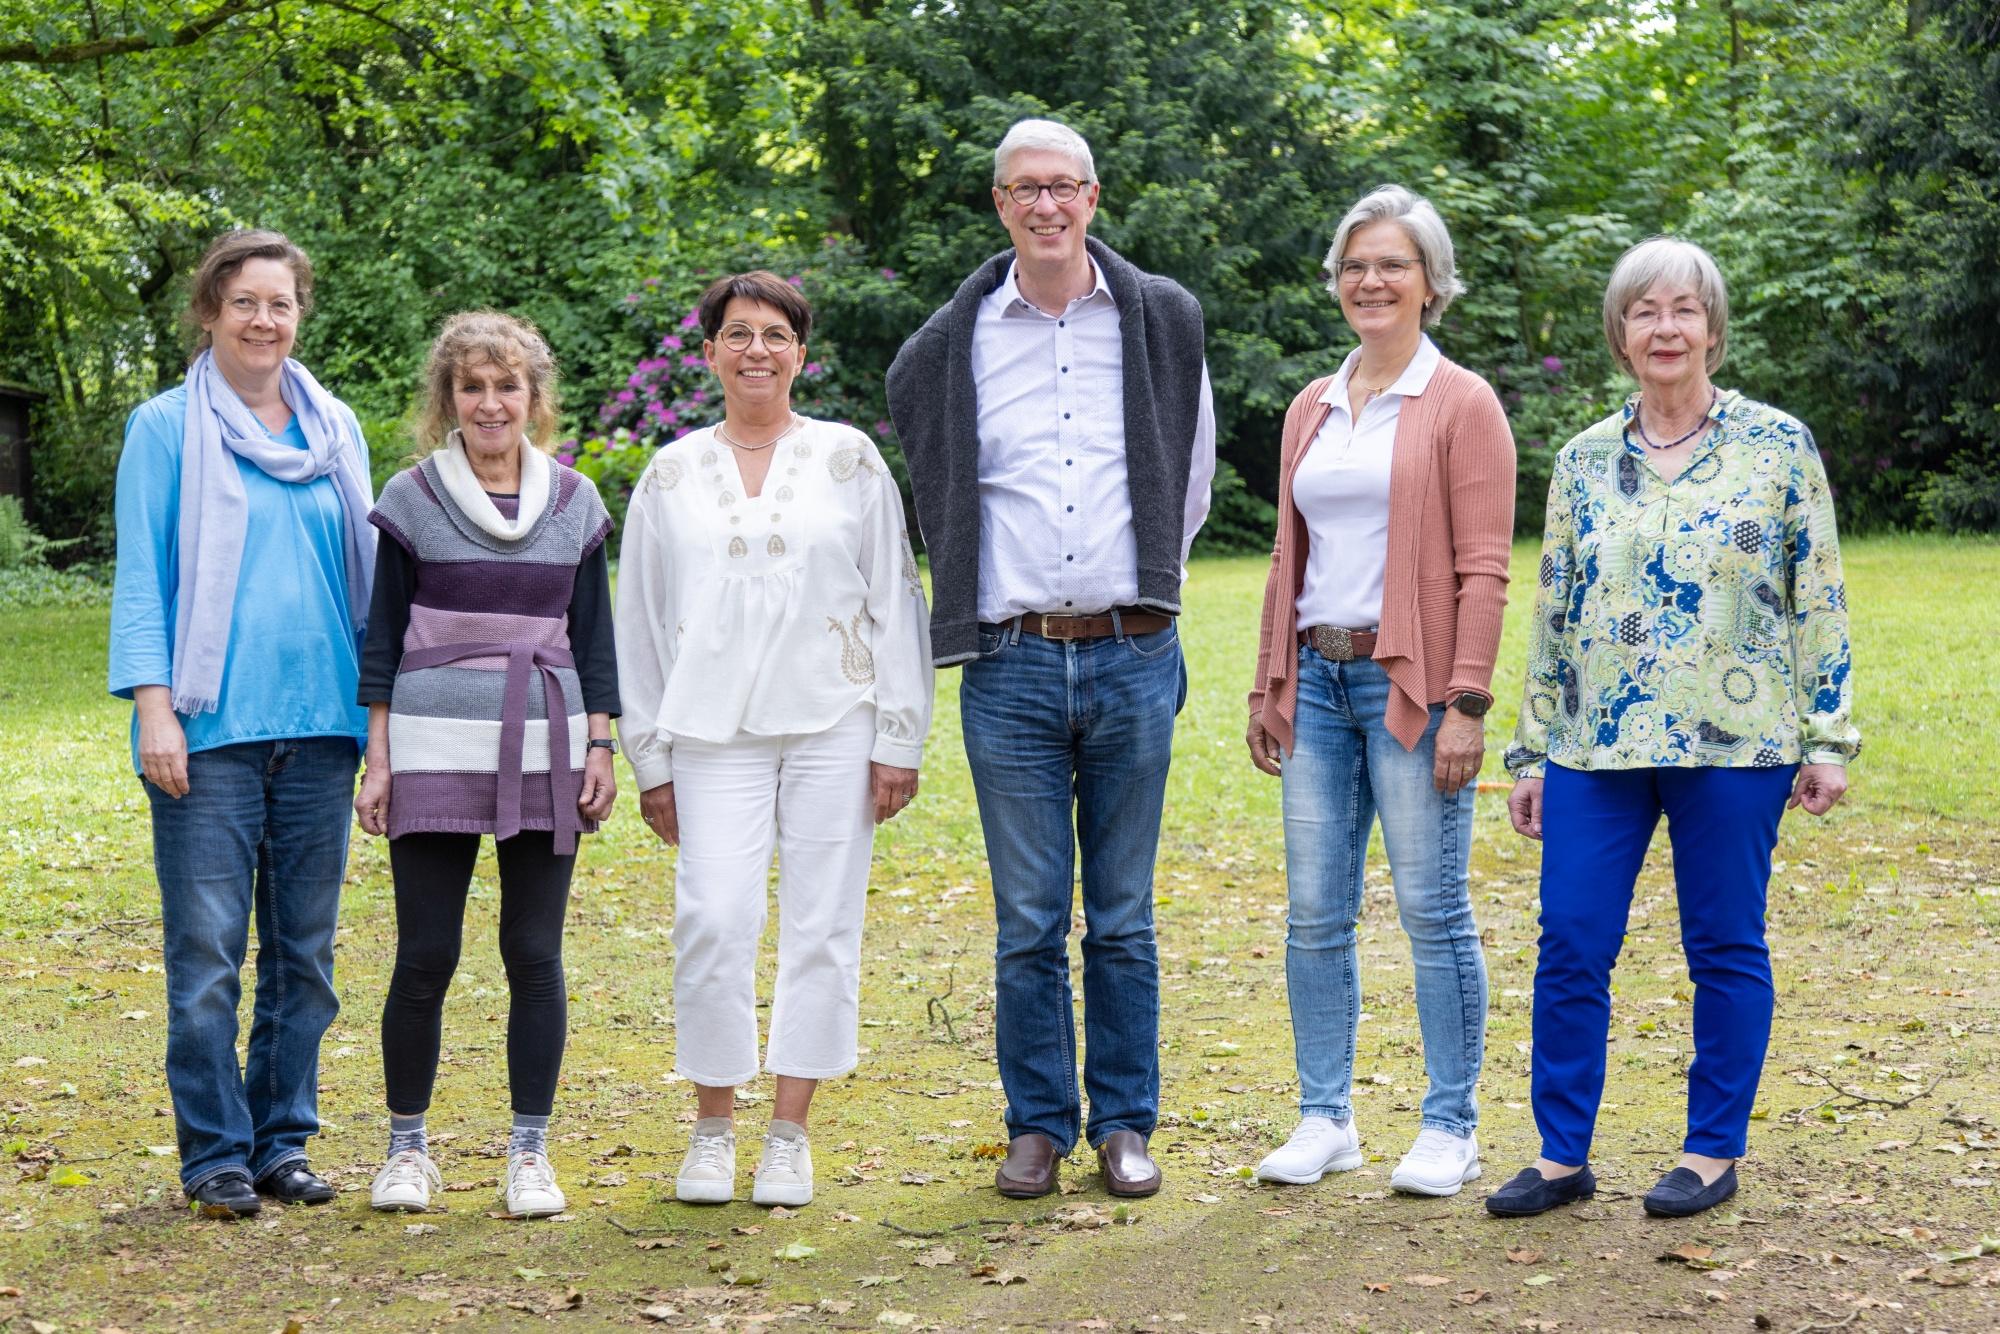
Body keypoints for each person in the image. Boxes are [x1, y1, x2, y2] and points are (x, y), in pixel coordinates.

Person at [1487, 237, 1859, 1220]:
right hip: (1592, 747)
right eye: (1643, 311)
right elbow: (1550, 609)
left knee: (1722, 942)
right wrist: (1529, 749)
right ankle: (1561, 1153)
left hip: (1734, 743)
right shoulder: (1578, 460)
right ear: (1618, 333)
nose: (1664, 327)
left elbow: (1816, 591)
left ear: (1711, 328)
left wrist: (1826, 736)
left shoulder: (1775, 445)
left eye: (1682, 309)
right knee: (1568, 939)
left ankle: (1707, 1150)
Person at [885, 118, 1215, 1200]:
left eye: (1062, 187)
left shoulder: (1161, 318)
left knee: (1121, 912)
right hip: (1012, 663)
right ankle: (1036, 1124)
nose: (1044, 206)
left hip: (1130, 650)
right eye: (1023, 190)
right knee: (1028, 917)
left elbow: (1191, 472)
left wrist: (1145, 585)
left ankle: (1124, 1120)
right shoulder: (950, 343)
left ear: (1091, 196)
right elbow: (939, 486)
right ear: (998, 204)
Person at [616, 271, 932, 1209]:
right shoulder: (671, 475)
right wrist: (651, 757)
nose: (758, 350)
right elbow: (637, 620)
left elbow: (894, 598)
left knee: (823, 924)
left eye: (777, 335)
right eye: (738, 333)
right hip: (710, 731)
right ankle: (714, 1126)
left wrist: (899, 737)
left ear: (801, 351)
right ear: (708, 349)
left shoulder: (847, 461)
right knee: (713, 918)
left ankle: (789, 1131)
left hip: (836, 719)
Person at [1244, 185, 1515, 1197]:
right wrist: (1266, 683)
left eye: (1392, 263)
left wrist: (1465, 702)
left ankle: (1449, 1122)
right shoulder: (1311, 404)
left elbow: (1483, 568)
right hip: (1313, 679)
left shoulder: (1459, 402)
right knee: (1313, 910)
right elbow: (1288, 551)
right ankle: (1326, 1116)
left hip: (1410, 688)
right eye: (1354, 264)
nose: (1370, 280)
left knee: (1430, 907)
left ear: (1429, 281)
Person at [109, 229, 375, 1216]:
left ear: (299, 315)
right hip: (207, 730)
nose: (265, 320)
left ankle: (282, 1142)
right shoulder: (165, 427)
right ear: (211, 312)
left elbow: (370, 582)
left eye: (282, 303)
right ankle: (214, 1153)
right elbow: (142, 575)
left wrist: (380, 715)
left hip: (323, 729)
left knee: (305, 958)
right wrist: (153, 709)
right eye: (246, 302)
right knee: (209, 957)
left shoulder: (335, 428)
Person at [354, 310, 620, 1220]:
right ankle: (405, 1150)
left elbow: (596, 640)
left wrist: (601, 746)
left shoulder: (576, 503)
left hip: (548, 745)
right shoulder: (411, 498)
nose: (491, 402)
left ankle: (530, 1153)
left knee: (533, 955)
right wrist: (378, 758)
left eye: (508, 385)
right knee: (425, 955)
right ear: (448, 400)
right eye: (473, 386)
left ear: (533, 398)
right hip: (432, 748)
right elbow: (382, 639)